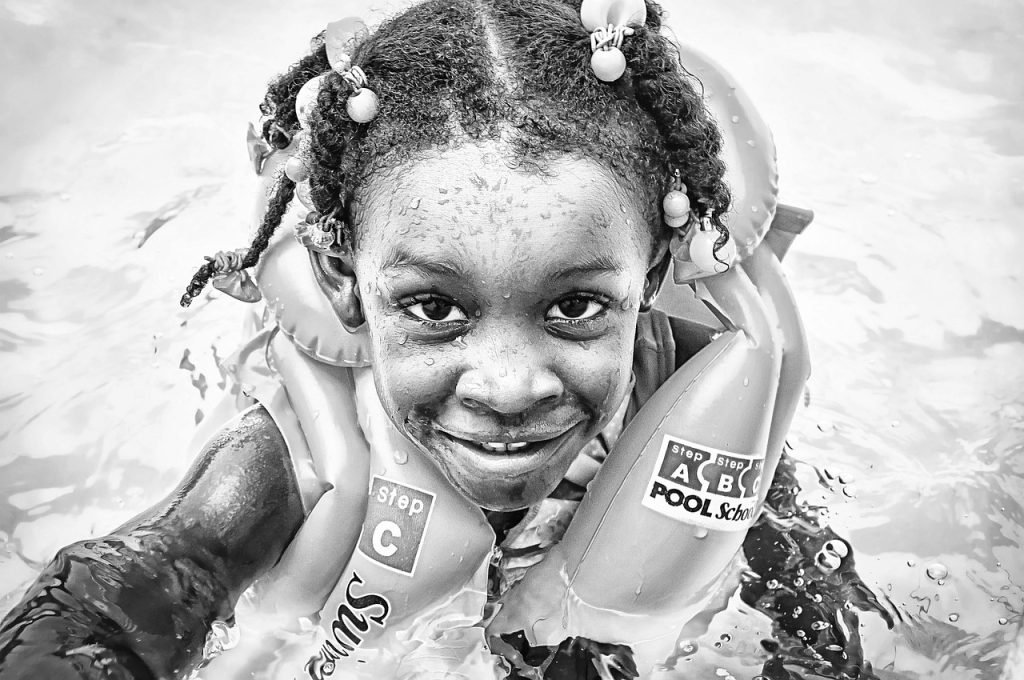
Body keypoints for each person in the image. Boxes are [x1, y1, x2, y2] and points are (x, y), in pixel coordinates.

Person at [0, 0, 822, 678]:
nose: (508, 387)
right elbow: (128, 593)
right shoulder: (279, 467)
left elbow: (792, 563)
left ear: (654, 274)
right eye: (434, 308)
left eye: (575, 306)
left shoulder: (693, 380)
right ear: (343, 281)